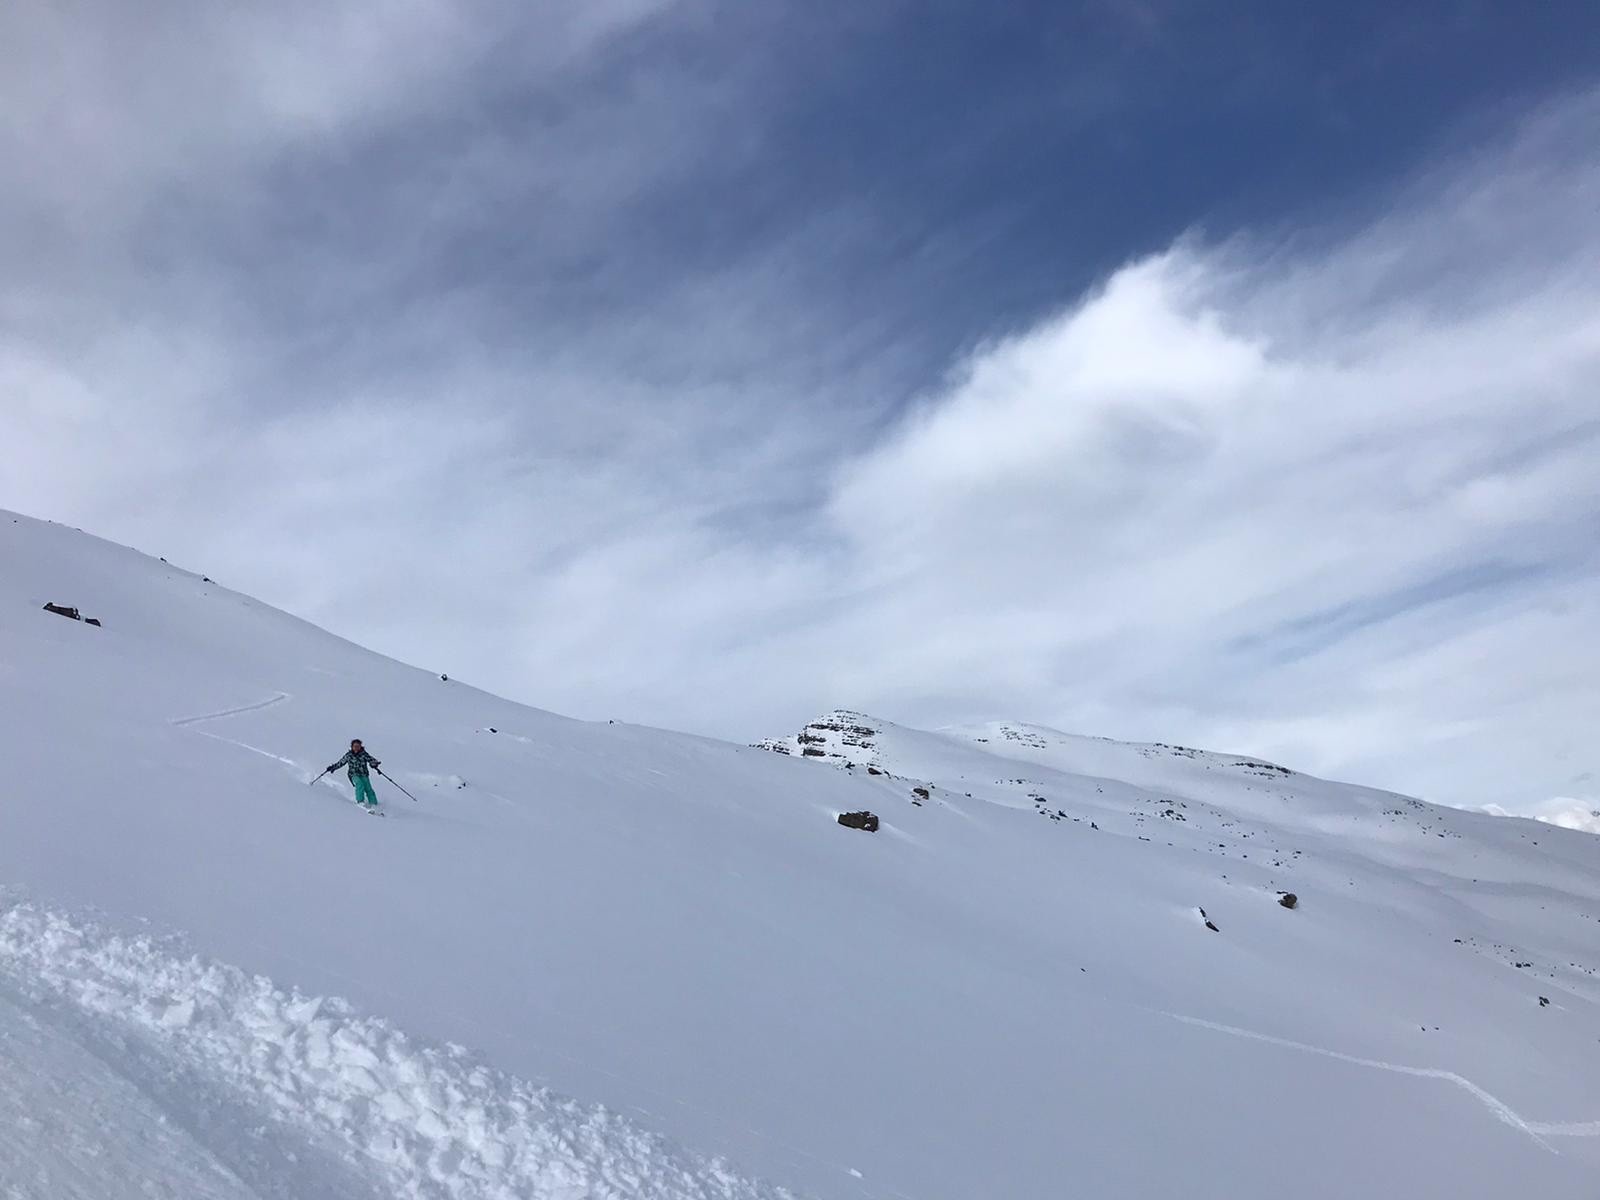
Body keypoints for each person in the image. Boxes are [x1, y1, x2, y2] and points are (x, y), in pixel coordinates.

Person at [327, 739, 382, 810]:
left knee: (368, 788)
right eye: (355, 746)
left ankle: (374, 804)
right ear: (352, 747)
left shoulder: (364, 754)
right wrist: (333, 767)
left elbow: (371, 759)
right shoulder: (349, 755)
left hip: (364, 774)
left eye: (358, 746)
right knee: (359, 784)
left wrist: (374, 763)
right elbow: (341, 762)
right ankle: (360, 802)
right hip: (353, 774)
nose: (356, 748)